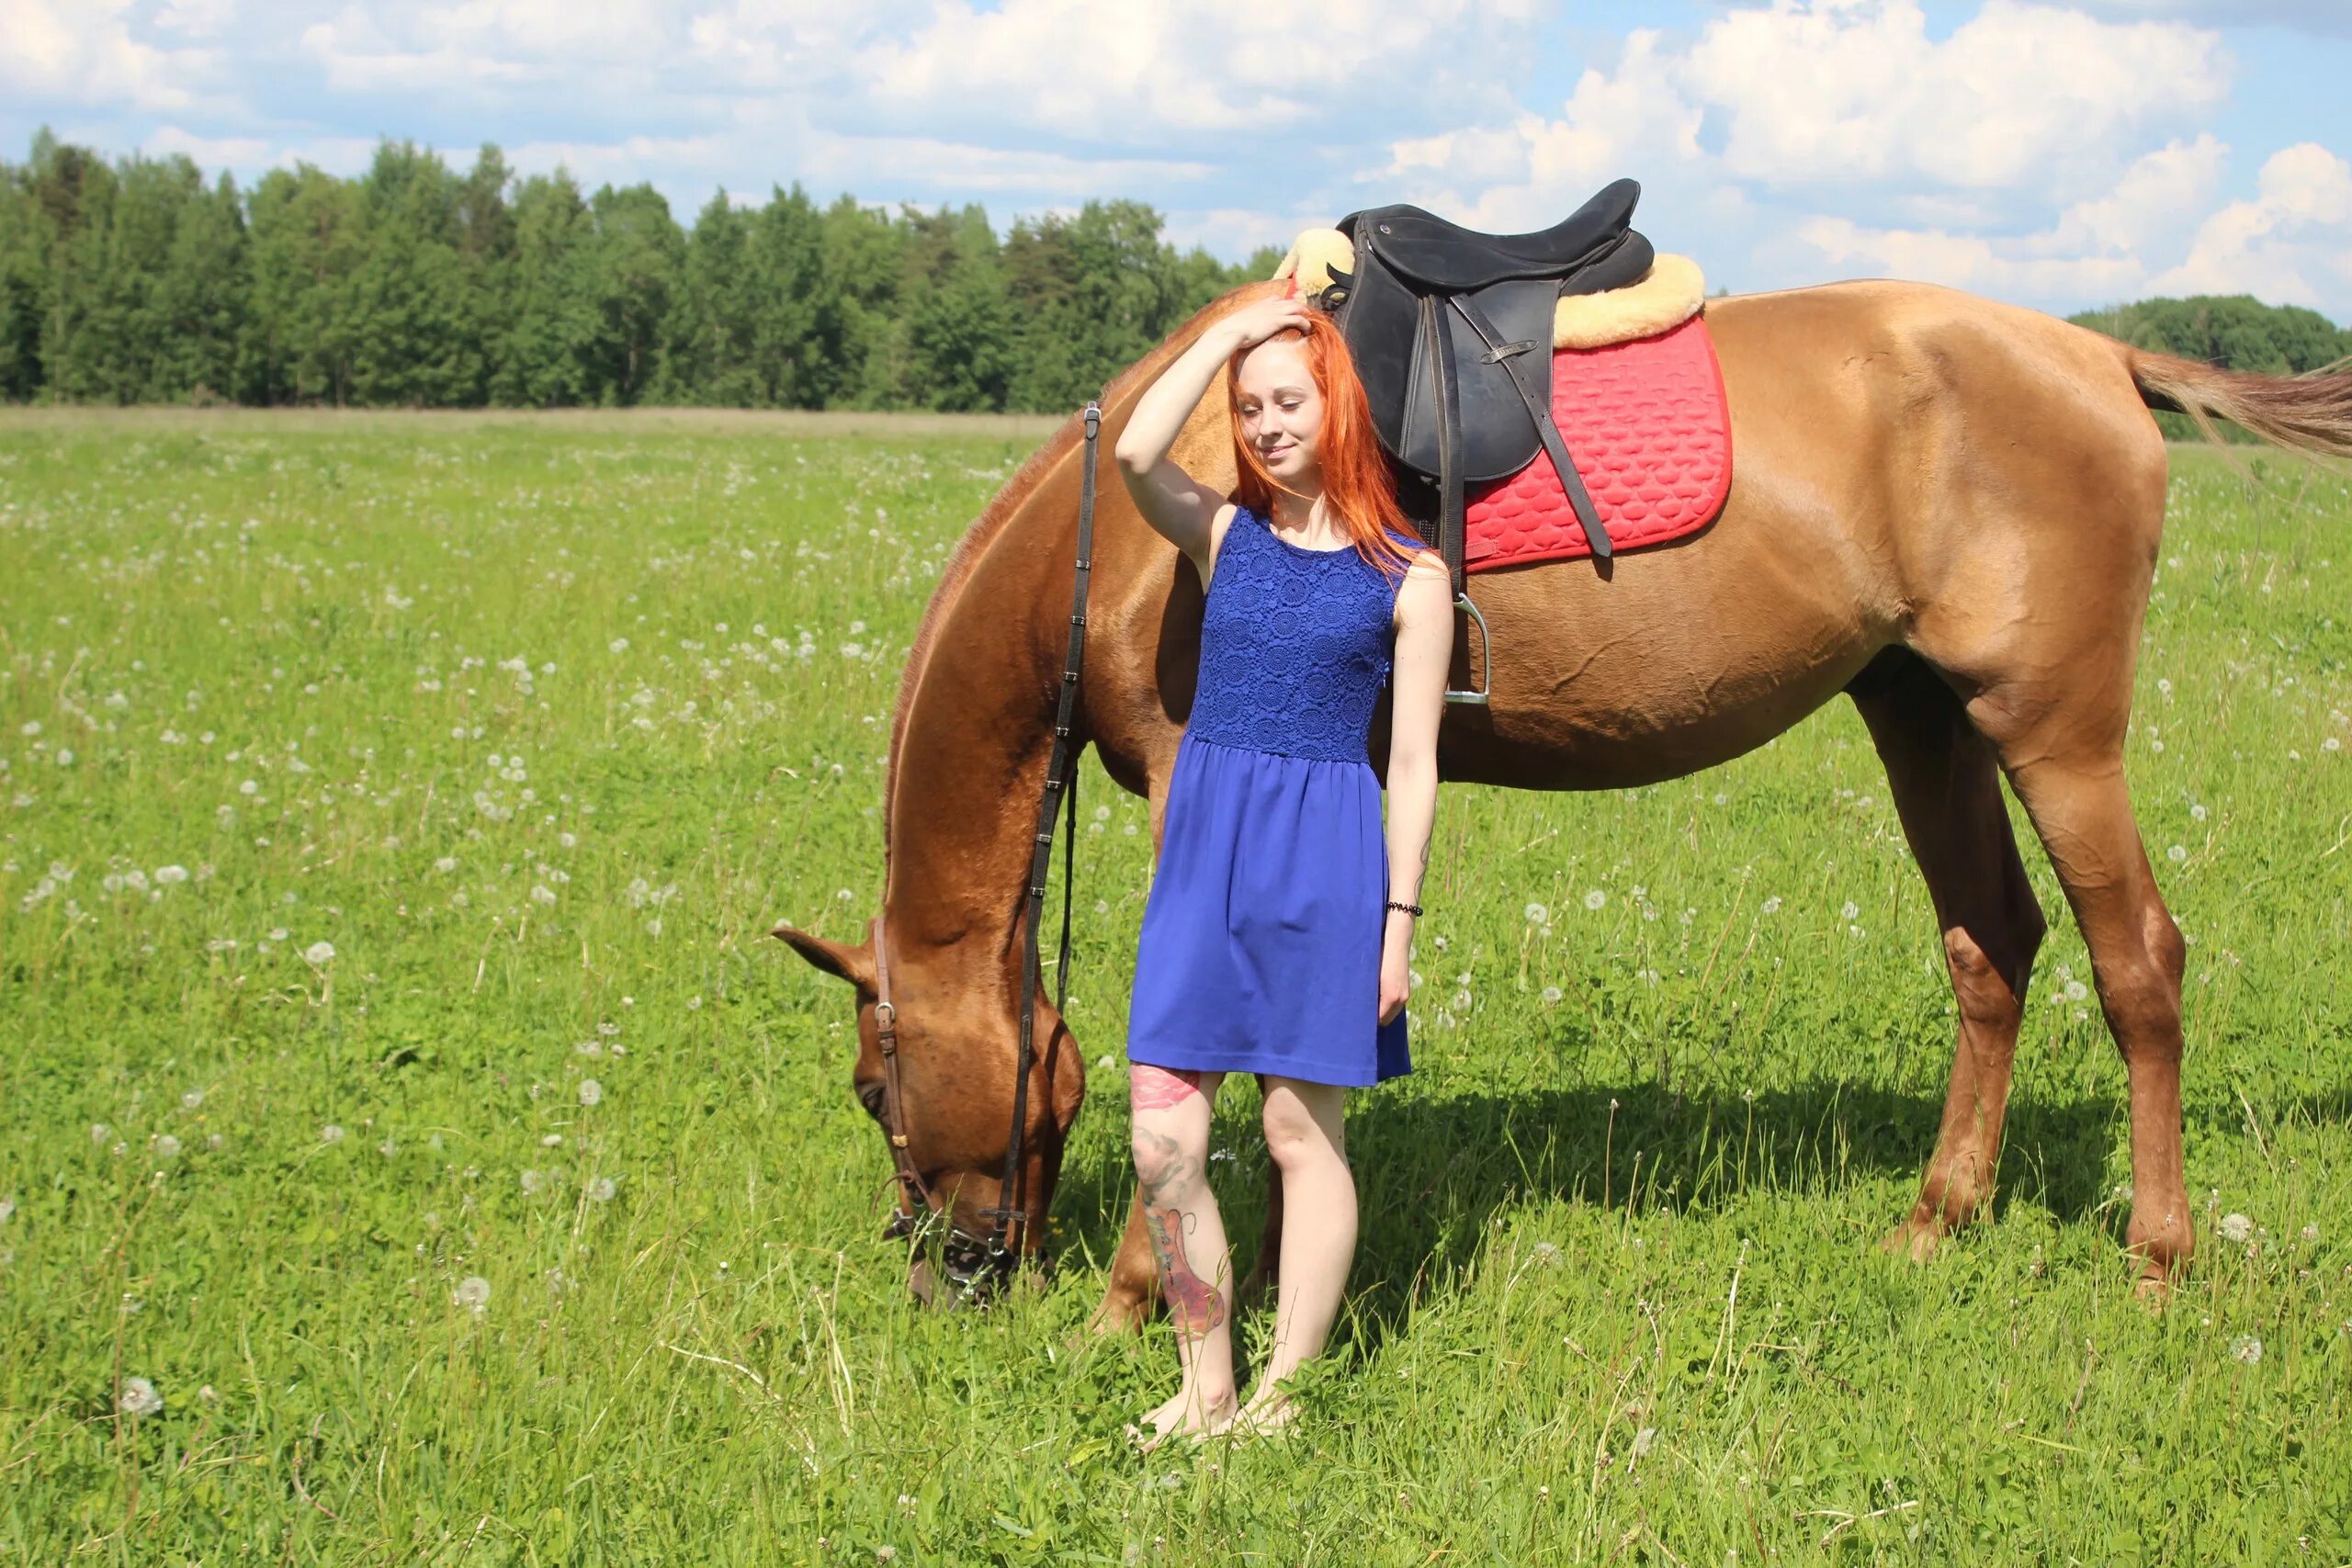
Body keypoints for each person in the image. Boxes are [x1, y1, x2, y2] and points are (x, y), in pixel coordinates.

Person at [1110, 288, 1451, 1446]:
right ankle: (1205, 1384)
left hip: (1327, 867)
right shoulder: (1222, 535)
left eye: (1285, 401)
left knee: (1304, 1138)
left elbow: (1411, 765)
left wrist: (1397, 923)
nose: (1263, 424)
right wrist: (1224, 334)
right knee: (1163, 1143)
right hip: (1206, 858)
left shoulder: (1409, 576)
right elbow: (1135, 449)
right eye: (1248, 407)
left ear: (1336, 404)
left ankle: (1282, 1396)